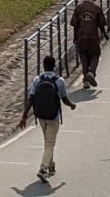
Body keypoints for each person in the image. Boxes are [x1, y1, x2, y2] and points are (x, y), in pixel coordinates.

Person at [18, 55, 76, 184]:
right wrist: (72, 105)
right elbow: (64, 99)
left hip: (41, 115)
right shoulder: (59, 81)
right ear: (54, 66)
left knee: (47, 141)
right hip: (53, 116)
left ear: (43, 66)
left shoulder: (37, 79)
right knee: (50, 143)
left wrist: (24, 116)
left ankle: (51, 165)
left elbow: (31, 98)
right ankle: (43, 169)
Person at [71, 0, 109, 88]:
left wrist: (75, 37)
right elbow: (101, 24)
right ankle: (91, 72)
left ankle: (85, 81)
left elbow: (75, 24)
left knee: (83, 57)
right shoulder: (96, 7)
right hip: (93, 37)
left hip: (81, 37)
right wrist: (105, 34)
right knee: (95, 55)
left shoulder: (79, 7)